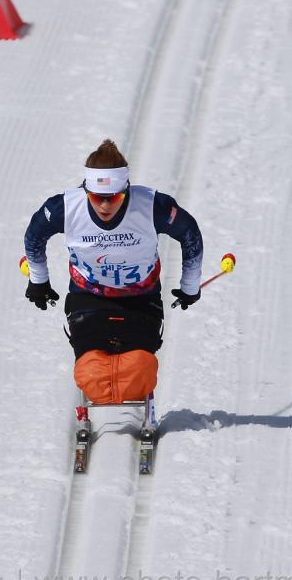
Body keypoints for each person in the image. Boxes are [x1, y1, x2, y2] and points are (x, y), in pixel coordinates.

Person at [22, 140, 203, 401]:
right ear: (86, 191)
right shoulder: (65, 207)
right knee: (92, 367)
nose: (105, 206)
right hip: (88, 297)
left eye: (114, 198)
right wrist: (38, 281)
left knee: (139, 366)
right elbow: (34, 237)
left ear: (126, 190)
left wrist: (190, 286)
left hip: (141, 298)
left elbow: (190, 234)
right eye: (97, 198)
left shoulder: (152, 206)